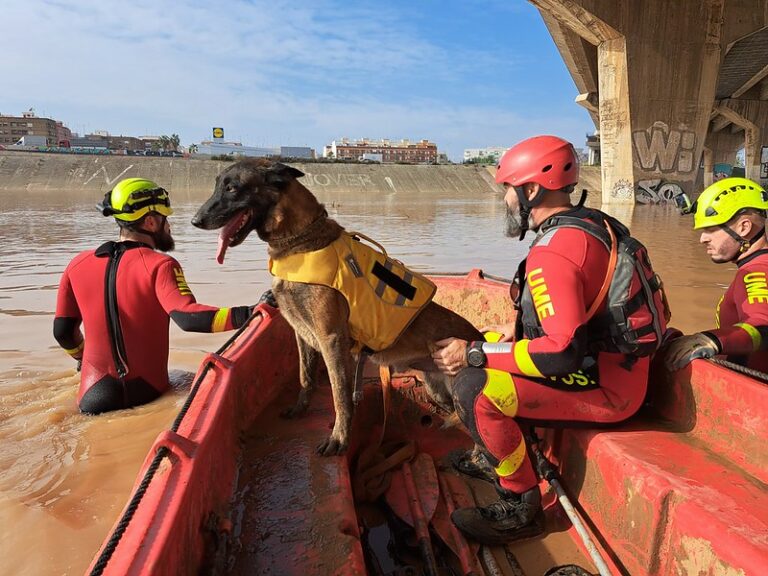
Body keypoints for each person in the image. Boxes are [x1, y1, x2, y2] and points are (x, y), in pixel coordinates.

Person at [432, 135, 668, 545]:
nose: (503, 199)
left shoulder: (554, 252)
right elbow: (581, 316)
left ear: (530, 190)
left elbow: (561, 352)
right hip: (614, 367)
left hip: (609, 389)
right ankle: (499, 456)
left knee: (476, 386)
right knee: (486, 345)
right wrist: (500, 339)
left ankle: (519, 505)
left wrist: (474, 354)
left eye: (507, 189)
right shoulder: (589, 226)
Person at [54, 177, 253, 415]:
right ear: (150, 222)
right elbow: (189, 318)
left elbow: (63, 332)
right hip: (147, 394)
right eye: (165, 219)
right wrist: (250, 313)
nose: (169, 226)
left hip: (92, 396)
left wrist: (81, 357)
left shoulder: (77, 264)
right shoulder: (161, 265)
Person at [664, 177, 768, 373]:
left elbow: (763, 327)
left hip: (748, 394)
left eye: (711, 229)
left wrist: (712, 340)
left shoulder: (757, 271)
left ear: (744, 228)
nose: (703, 238)